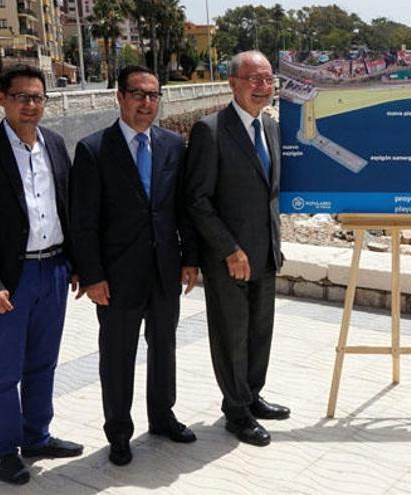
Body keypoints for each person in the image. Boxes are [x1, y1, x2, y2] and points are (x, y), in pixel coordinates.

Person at [0, 65, 83, 485]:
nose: (31, 105)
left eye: (38, 97)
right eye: (22, 97)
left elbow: (69, 208)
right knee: (7, 369)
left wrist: (78, 265)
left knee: (43, 362)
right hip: (11, 279)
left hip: (55, 269)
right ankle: (5, 450)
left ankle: (37, 435)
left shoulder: (57, 144)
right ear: (2, 99)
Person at [70, 65, 200, 465]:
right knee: (117, 357)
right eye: (138, 94)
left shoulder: (173, 145)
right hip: (116, 277)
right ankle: (119, 433)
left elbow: (182, 208)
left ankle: (162, 417)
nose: (147, 103)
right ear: (120, 97)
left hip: (164, 271)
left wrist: (190, 260)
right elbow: (83, 221)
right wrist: (92, 275)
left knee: (164, 349)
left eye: (154, 96)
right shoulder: (93, 150)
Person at [185, 50, 288, 447]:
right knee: (232, 335)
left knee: (261, 331)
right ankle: (236, 410)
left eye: (267, 79)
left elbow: (270, 194)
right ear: (233, 83)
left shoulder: (272, 129)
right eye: (253, 79)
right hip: (229, 259)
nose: (262, 87)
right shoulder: (210, 130)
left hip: (265, 253)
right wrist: (229, 248)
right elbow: (197, 200)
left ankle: (252, 394)